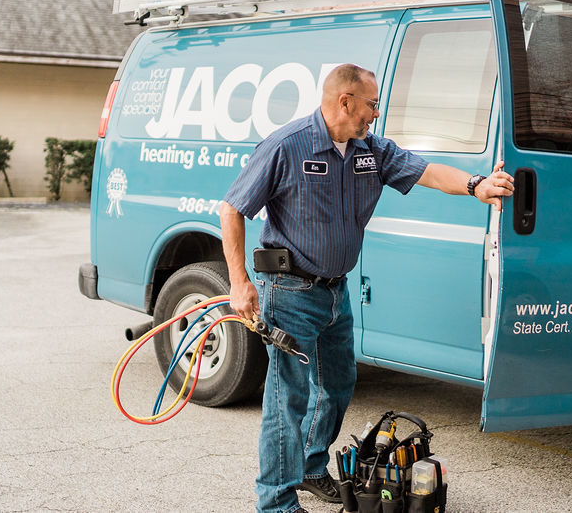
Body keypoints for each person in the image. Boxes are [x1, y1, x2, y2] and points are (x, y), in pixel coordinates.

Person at [220, 63, 514, 513]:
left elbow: (427, 172)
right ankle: (275, 502)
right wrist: (240, 282)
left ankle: (312, 468)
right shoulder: (287, 146)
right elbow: (231, 208)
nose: (376, 113)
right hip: (290, 292)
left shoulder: (371, 151)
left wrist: (476, 185)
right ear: (345, 101)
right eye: (372, 104)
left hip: (336, 293)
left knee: (338, 384)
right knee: (288, 400)